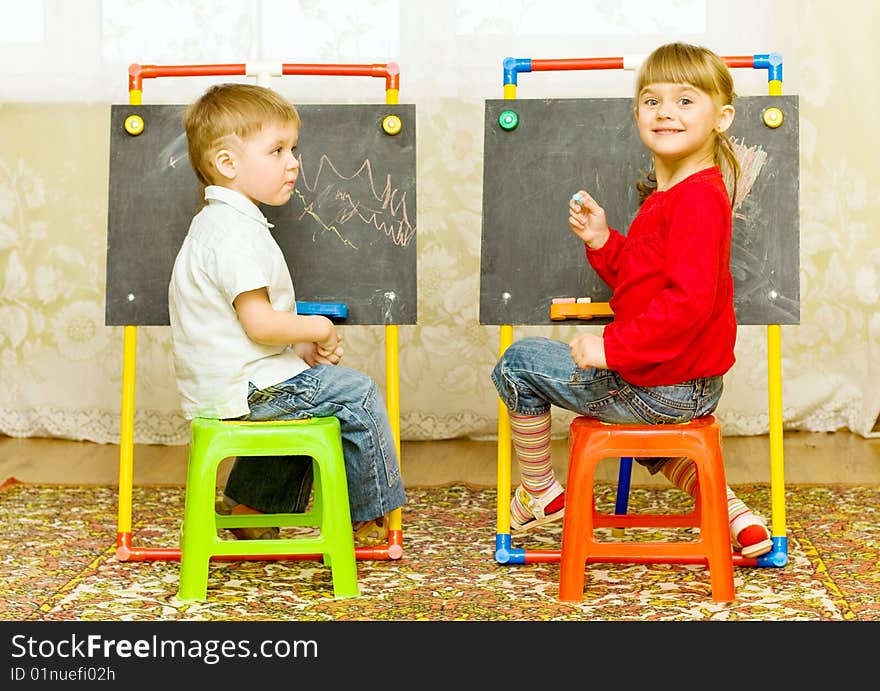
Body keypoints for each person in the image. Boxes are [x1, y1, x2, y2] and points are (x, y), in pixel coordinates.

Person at [491, 42, 772, 559]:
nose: (665, 111)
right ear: (637, 112)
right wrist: (603, 240)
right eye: (651, 100)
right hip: (688, 388)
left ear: (722, 117)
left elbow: (687, 304)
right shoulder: (675, 196)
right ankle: (736, 516)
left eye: (686, 100)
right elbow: (643, 282)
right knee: (655, 447)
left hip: (660, 383)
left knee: (517, 363)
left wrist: (610, 349)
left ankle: (540, 492)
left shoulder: (696, 201)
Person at [169, 82, 405, 545]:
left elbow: (239, 327)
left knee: (309, 404)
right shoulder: (236, 234)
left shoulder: (216, 224)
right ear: (228, 163)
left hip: (229, 385)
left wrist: (295, 349)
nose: (293, 162)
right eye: (276, 150)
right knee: (355, 393)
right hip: (247, 389)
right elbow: (257, 322)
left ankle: (253, 507)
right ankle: (367, 508)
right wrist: (317, 327)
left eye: (292, 148)